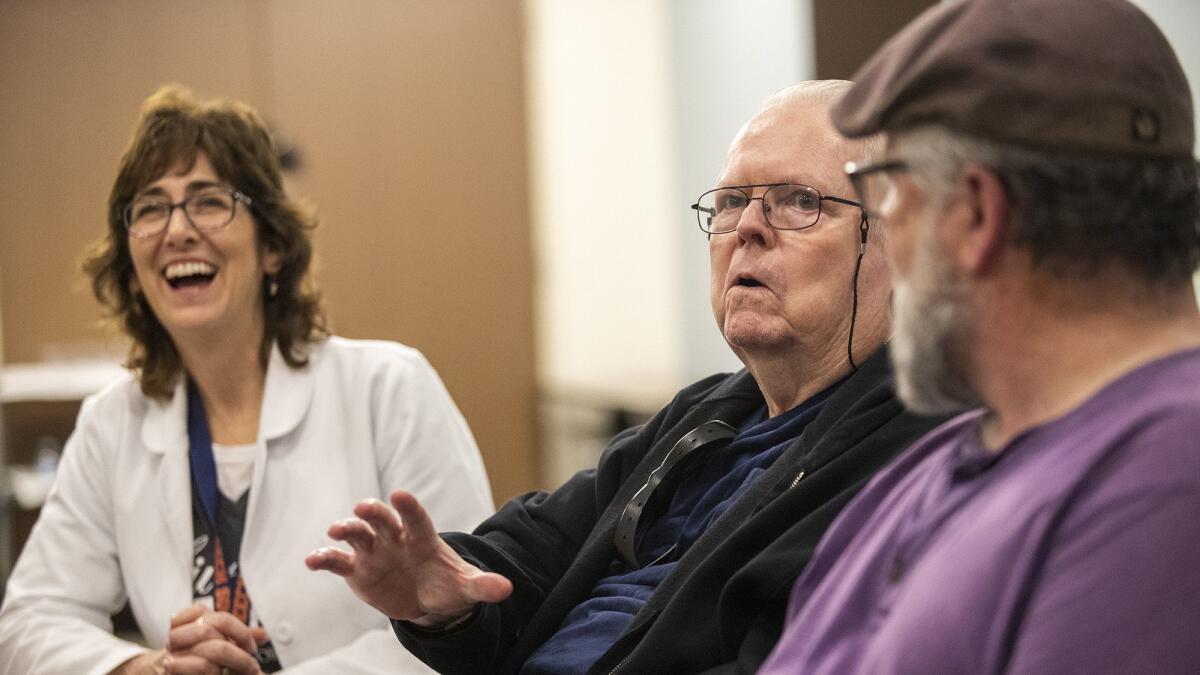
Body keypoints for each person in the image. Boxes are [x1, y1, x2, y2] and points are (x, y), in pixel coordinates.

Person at [306, 80, 945, 674]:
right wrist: (448, 597)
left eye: (799, 202)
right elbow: (541, 543)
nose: (747, 229)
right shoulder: (714, 414)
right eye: (729, 203)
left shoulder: (920, 452)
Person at [759, 1, 1200, 673]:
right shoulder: (937, 460)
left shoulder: (1168, 479)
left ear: (976, 214)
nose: (889, 235)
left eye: (890, 192)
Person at [0, 86, 495, 675]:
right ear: (132, 271)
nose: (177, 230)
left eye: (208, 201)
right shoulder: (113, 423)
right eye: (151, 208)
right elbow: (29, 621)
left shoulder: (390, 390)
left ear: (273, 247)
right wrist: (149, 669)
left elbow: (467, 617)